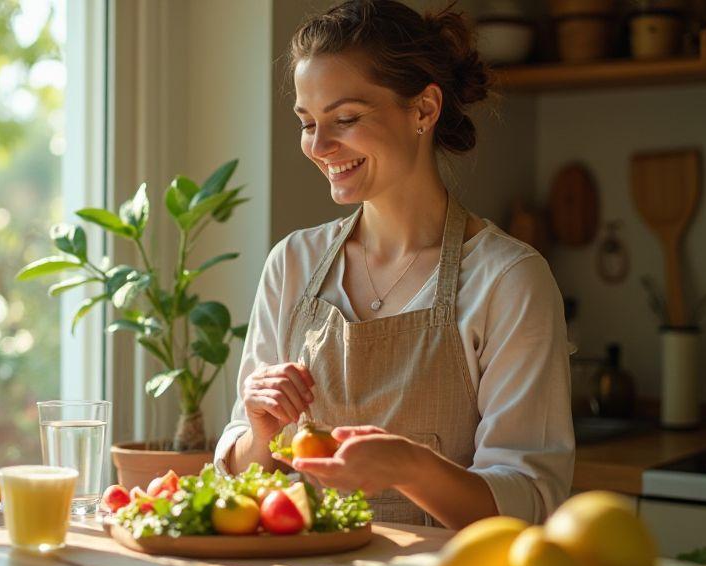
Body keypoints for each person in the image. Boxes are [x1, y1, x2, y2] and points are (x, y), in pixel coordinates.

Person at [214, 0, 574, 529]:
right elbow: (237, 488)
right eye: (307, 122)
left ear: (424, 110)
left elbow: (530, 500)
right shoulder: (292, 263)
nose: (319, 145)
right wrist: (259, 433)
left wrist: (407, 465)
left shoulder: (508, 279)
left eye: (346, 118)